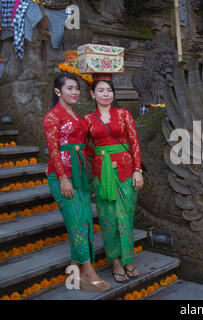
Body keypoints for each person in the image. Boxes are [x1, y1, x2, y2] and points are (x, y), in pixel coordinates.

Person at [42, 73, 111, 292]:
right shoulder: (53, 116)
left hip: (80, 175)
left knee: (84, 222)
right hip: (64, 177)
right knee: (77, 224)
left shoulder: (75, 115)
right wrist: (62, 178)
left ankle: (74, 275)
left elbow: (84, 145)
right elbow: (53, 149)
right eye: (69, 88)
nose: (74, 92)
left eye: (77, 88)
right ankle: (89, 272)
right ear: (57, 92)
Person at [83, 77, 144, 284]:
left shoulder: (124, 114)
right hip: (102, 175)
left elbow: (134, 142)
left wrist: (138, 170)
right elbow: (84, 146)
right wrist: (102, 154)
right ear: (93, 94)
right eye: (101, 90)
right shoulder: (88, 120)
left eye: (109, 90)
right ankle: (116, 261)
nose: (106, 94)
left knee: (125, 218)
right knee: (108, 219)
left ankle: (128, 259)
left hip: (127, 173)